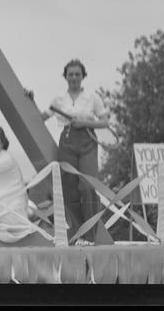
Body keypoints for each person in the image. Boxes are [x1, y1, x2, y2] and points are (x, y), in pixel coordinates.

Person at [29, 59, 111, 245]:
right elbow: (42, 117)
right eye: (70, 74)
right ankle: (78, 233)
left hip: (87, 140)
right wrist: (31, 100)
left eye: (77, 74)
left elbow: (105, 122)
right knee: (69, 188)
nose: (74, 77)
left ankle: (90, 235)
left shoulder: (93, 97)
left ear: (83, 76)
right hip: (67, 141)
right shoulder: (58, 99)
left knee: (87, 186)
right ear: (65, 76)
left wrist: (85, 123)